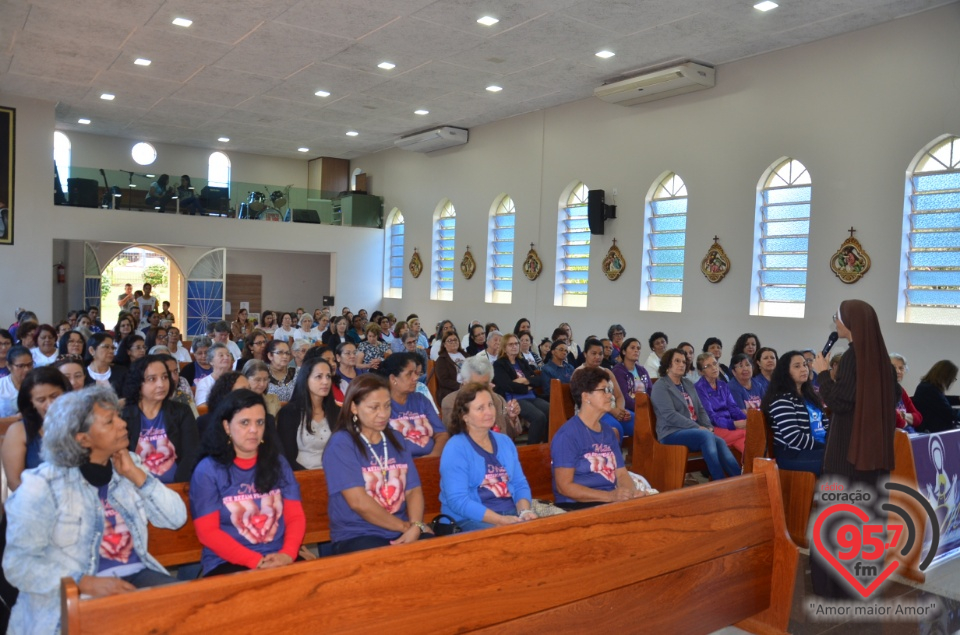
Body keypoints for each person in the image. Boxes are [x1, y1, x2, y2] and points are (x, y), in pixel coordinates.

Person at [3, 386, 186, 635]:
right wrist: (83, 583)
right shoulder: (43, 485)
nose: (123, 424)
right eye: (110, 421)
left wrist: (136, 474)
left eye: (119, 417)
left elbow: (176, 518)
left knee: (192, 609)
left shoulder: (127, 466)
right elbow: (18, 564)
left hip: (137, 576)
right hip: (72, 592)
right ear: (83, 438)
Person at [189, 389, 304, 576]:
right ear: (226, 426)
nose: (254, 430)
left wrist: (288, 554)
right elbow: (208, 532)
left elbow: (295, 517)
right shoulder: (208, 470)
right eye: (244, 423)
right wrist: (255, 561)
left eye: (259, 423)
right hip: (227, 562)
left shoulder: (278, 463)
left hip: (280, 557)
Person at [322, 374, 433, 554]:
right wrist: (406, 528)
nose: (383, 414)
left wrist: (416, 525)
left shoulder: (395, 438)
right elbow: (358, 502)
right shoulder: (341, 444)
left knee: (438, 552)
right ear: (354, 408)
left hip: (402, 529)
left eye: (387, 406)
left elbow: (413, 490)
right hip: (358, 534)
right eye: (374, 407)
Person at [439, 383, 537, 531]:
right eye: (480, 408)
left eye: (490, 405)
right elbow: (458, 501)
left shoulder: (504, 442)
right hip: (469, 519)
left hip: (510, 513)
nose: (489, 412)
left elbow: (519, 483)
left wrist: (524, 511)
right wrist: (500, 520)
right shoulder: (455, 448)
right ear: (464, 416)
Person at [551, 367, 644, 510]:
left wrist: (630, 494)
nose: (610, 396)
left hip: (609, 502)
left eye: (610, 390)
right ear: (586, 396)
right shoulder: (568, 435)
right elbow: (564, 487)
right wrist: (610, 497)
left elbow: (621, 474)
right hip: (578, 506)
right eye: (604, 390)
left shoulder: (608, 432)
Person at [650, 348, 741, 480]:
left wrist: (708, 426)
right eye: (677, 361)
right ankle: (719, 481)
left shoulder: (687, 384)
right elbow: (670, 415)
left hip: (694, 431)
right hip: (671, 432)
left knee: (720, 441)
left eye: (683, 361)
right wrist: (698, 427)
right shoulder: (661, 386)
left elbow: (700, 408)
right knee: (705, 436)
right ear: (667, 364)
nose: (682, 364)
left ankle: (739, 479)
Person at [121, 355, 200, 484]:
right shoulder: (124, 415)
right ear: (137, 383)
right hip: (135, 490)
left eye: (164, 377)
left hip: (176, 488)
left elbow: (191, 455)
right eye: (152, 379)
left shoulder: (182, 411)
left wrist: (177, 489)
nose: (161, 384)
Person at [2, 367, 70, 491]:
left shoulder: (81, 424)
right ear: (31, 402)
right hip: (35, 504)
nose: (49, 404)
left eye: (54, 396)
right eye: (41, 400)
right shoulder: (19, 431)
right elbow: (14, 482)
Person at [762, 351, 828, 476]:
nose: (804, 369)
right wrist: (826, 447)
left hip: (817, 449)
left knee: (848, 455)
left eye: (804, 364)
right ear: (785, 372)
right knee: (838, 461)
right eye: (797, 366)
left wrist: (833, 443)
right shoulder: (781, 399)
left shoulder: (811, 396)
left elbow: (826, 425)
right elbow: (794, 438)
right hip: (793, 454)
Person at [276, 357, 340, 470]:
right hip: (302, 476)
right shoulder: (289, 413)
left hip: (335, 474)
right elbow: (286, 457)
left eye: (328, 376)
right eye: (319, 376)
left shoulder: (337, 412)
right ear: (306, 379)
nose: (325, 381)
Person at [380, 353, 448, 457]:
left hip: (430, 461)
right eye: (409, 374)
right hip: (398, 465)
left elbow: (441, 434)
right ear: (393, 379)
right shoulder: (381, 405)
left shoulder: (421, 400)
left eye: (416, 373)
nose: (415, 378)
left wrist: (433, 457)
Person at [440, 355, 521, 439]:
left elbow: (511, 436)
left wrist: (512, 418)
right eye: (476, 385)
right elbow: (455, 435)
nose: (481, 389)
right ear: (465, 382)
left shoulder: (498, 399)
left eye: (485, 384)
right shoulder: (450, 402)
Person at [492, 333, 549, 444]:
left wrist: (524, 381)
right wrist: (527, 385)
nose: (514, 346)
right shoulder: (499, 364)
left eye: (516, 343)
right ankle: (532, 449)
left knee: (551, 410)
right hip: (515, 399)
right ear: (504, 347)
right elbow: (507, 385)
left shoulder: (522, 362)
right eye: (511, 344)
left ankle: (546, 446)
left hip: (531, 396)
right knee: (539, 417)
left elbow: (538, 380)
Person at [578, 338, 634, 440]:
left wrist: (621, 410)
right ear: (585, 354)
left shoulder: (607, 372)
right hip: (595, 413)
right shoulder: (579, 373)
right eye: (593, 353)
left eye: (600, 354)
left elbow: (619, 396)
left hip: (614, 410)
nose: (597, 357)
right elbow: (589, 401)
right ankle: (614, 455)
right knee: (614, 429)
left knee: (641, 423)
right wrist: (613, 411)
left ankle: (638, 455)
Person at [694, 353, 746, 454]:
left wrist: (746, 421)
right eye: (708, 366)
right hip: (714, 428)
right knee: (747, 434)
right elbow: (710, 417)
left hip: (731, 427)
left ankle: (752, 468)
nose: (714, 368)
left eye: (715, 363)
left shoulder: (723, 385)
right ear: (701, 372)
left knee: (749, 447)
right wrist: (734, 424)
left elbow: (733, 408)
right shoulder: (699, 388)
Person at [912, 360, 959, 433]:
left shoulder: (928, 387)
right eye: (952, 378)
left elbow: (942, 399)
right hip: (931, 432)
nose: (952, 381)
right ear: (946, 376)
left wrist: (958, 399)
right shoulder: (929, 389)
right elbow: (949, 413)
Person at [612, 337, 653, 413]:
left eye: (638, 348)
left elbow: (650, 391)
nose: (636, 350)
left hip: (646, 407)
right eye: (632, 348)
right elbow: (624, 397)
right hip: (629, 410)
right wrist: (641, 409)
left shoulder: (642, 370)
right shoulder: (618, 371)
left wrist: (650, 407)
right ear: (624, 351)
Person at [889, 354, 922, 432]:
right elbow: (893, 417)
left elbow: (918, 418)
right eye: (893, 367)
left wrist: (904, 415)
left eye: (901, 368)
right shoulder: (882, 389)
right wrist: (906, 423)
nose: (898, 371)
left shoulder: (901, 390)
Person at [434, 330, 466, 405]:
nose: (453, 342)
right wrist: (460, 386)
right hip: (452, 390)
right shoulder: (442, 359)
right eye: (450, 341)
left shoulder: (466, 355)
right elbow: (444, 380)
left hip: (470, 386)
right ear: (444, 344)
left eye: (455, 340)